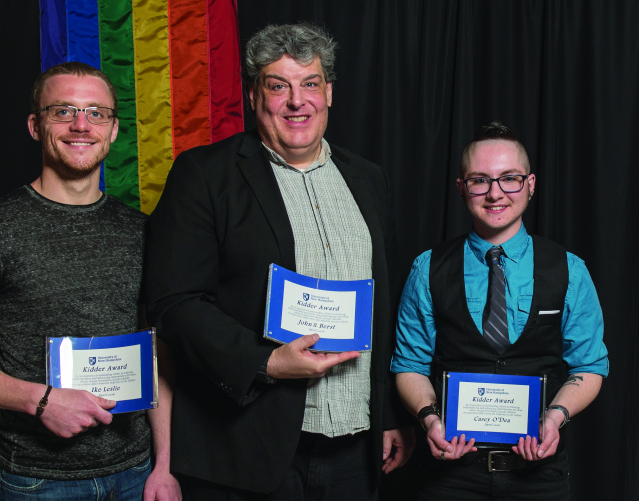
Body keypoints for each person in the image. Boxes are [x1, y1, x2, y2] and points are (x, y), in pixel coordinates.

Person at [144, 23, 414, 500]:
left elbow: (386, 301)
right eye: (278, 85)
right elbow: (174, 303)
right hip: (249, 447)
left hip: (356, 446)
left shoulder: (369, 179)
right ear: (254, 96)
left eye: (309, 83)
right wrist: (266, 361)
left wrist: (391, 416)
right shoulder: (205, 174)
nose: (297, 100)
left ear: (329, 92)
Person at [0, 62, 181, 500]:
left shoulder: (143, 232)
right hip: (39, 481)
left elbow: (157, 352)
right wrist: (40, 401)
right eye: (63, 111)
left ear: (114, 130)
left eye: (96, 113)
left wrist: (164, 466)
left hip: (137, 474)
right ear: (35, 125)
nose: (80, 125)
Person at [391, 122, 609, 500]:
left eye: (509, 178)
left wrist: (555, 417)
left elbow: (589, 366)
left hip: (539, 478)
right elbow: (409, 364)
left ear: (531, 184)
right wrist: (429, 420)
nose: (495, 193)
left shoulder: (569, 269)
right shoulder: (427, 268)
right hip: (448, 478)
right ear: (461, 188)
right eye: (480, 180)